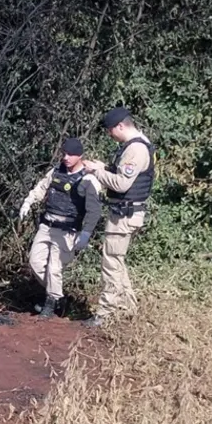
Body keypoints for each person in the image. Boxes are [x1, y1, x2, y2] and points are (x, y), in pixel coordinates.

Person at [81, 106, 156, 327]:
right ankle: (127, 309)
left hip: (123, 215)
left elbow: (122, 183)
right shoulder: (139, 145)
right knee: (117, 261)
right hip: (127, 213)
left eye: (110, 130)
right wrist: (102, 166)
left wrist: (96, 172)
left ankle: (105, 315)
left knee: (111, 263)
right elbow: (121, 172)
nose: (109, 135)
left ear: (120, 126)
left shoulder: (135, 150)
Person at [19, 137, 103, 318]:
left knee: (54, 268)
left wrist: (86, 233)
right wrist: (28, 202)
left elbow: (94, 210)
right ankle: (59, 297)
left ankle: (50, 304)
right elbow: (41, 188)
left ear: (80, 156)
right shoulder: (56, 171)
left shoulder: (88, 180)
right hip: (47, 225)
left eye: (71, 154)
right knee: (35, 262)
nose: (66, 157)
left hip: (68, 230)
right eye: (64, 153)